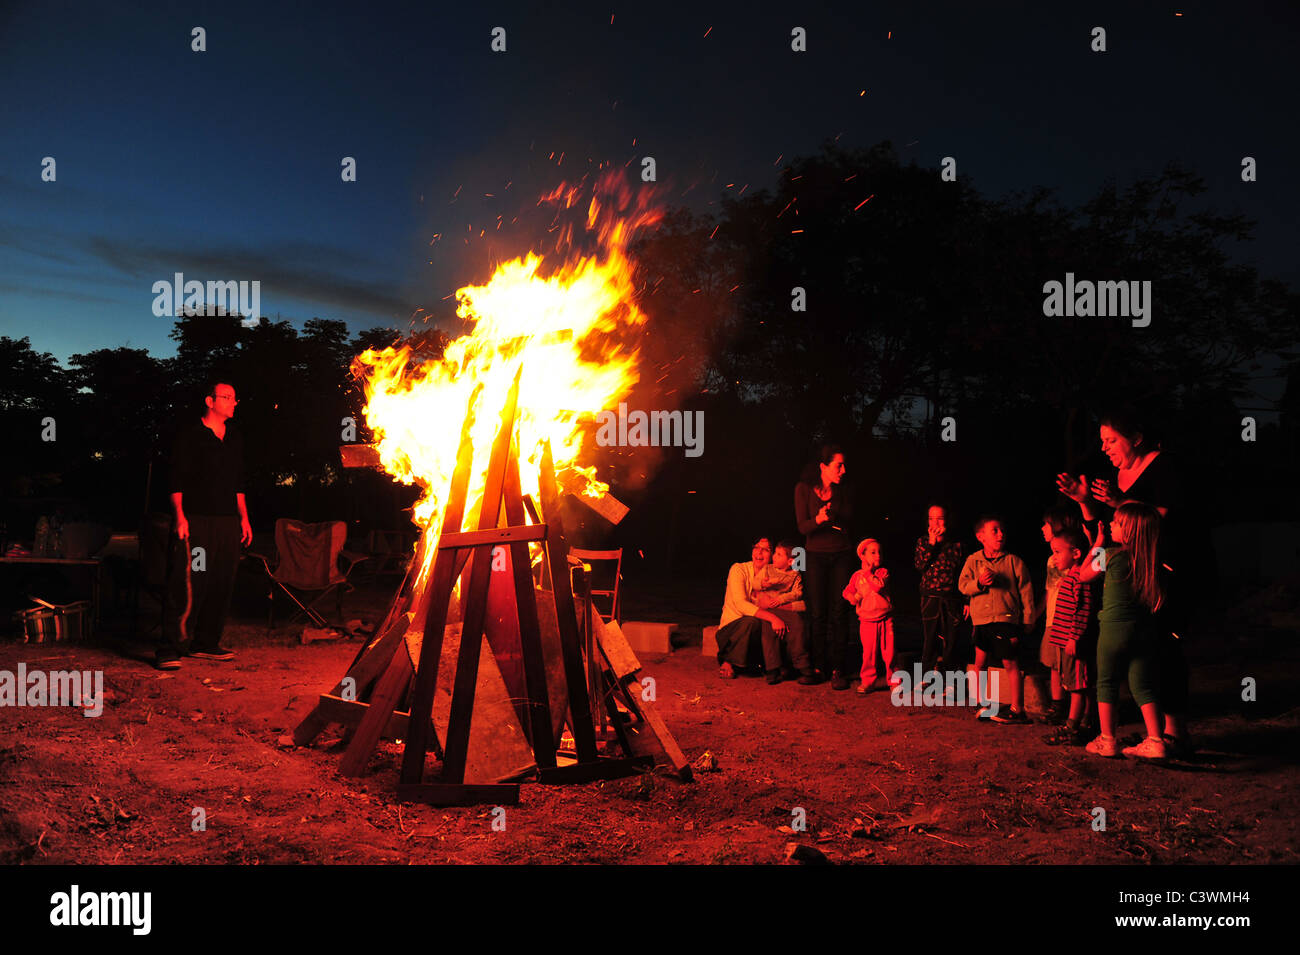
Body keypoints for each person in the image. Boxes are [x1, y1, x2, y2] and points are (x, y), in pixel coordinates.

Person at [1055, 408, 1191, 755]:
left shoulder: (1165, 469)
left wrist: (1119, 503)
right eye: (1102, 441)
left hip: (1159, 576)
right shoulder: (1114, 482)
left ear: (1136, 438)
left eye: (1111, 440)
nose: (1105, 448)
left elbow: (1154, 521)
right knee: (1140, 671)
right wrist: (1085, 501)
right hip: (1128, 590)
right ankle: (1155, 737)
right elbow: (1101, 530)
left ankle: (1157, 733)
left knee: (1151, 658)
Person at [157, 379, 252, 670]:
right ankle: (170, 648)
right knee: (190, 580)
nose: (233, 402)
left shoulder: (234, 438)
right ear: (210, 401)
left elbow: (238, 484)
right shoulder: (191, 436)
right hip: (196, 521)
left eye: (235, 398)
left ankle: (206, 643)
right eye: (226, 397)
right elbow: (177, 479)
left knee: (221, 581)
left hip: (226, 523)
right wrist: (180, 516)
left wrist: (244, 518)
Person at [1077, 503, 1168, 760]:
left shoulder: (1112, 555)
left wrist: (1098, 543)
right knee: (1143, 685)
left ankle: (1107, 740)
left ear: (1128, 531)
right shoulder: (1151, 559)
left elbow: (1083, 575)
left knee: (1106, 683)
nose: (1112, 525)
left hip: (1113, 630)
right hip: (1143, 631)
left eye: (1116, 523)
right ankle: (1156, 740)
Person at [958, 515, 1034, 724]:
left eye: (1002, 530)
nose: (1001, 534)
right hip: (981, 620)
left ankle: (1017, 709)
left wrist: (1028, 618)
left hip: (1005, 619)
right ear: (980, 536)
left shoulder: (1013, 561)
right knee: (979, 662)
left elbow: (1026, 591)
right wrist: (979, 583)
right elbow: (963, 585)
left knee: (1010, 662)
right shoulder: (973, 561)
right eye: (995, 530)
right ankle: (980, 701)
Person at [794, 444, 855, 689]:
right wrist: (819, 520)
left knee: (839, 611)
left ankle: (838, 669)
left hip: (841, 554)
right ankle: (818, 667)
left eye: (843, 464)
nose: (843, 469)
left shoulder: (846, 490)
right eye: (838, 465)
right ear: (823, 466)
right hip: (815, 555)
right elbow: (802, 527)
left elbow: (850, 518)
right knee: (817, 612)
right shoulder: (803, 489)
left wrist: (833, 517)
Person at [716, 538, 816, 685]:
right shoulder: (739, 569)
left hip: (766, 621)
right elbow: (741, 605)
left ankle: (793, 667)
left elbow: (802, 602)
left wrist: (778, 605)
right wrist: (772, 616)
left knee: (791, 624)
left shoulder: (786, 574)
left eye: (766, 549)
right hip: (734, 630)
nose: (759, 552)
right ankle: (730, 660)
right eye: (756, 547)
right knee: (755, 622)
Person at [1041, 527, 1100, 746]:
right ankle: (1084, 723)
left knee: (1077, 687)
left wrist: (1074, 637)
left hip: (1073, 643)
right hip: (1064, 643)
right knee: (1075, 684)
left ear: (1075, 553)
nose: (1054, 557)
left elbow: (1083, 611)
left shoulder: (1080, 578)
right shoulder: (1071, 577)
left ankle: (1071, 727)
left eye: (1057, 552)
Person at [1037, 506, 1084, 725]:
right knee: (1053, 663)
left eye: (1046, 524)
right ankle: (1058, 705)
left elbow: (1099, 566)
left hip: (1072, 619)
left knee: (1074, 667)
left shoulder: (1079, 558)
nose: (1042, 528)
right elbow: (1049, 591)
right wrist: (1037, 615)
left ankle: (1081, 715)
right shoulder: (1051, 560)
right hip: (1053, 619)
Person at [914, 505, 967, 675]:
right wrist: (932, 544)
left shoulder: (957, 545)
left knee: (951, 640)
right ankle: (926, 674)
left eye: (940, 518)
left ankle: (950, 678)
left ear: (947, 520)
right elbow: (920, 565)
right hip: (929, 596)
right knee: (930, 638)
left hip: (952, 598)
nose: (935, 522)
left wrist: (967, 600)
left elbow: (964, 574)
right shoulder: (923, 542)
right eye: (931, 518)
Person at [844, 538, 896, 694]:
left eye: (879, 552)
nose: (877, 555)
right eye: (872, 553)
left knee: (890, 652)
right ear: (863, 556)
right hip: (866, 620)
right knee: (869, 653)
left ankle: (894, 680)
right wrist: (851, 597)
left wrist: (867, 572)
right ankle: (868, 681)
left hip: (885, 618)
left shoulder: (883, 573)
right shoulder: (857, 576)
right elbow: (847, 591)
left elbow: (877, 586)